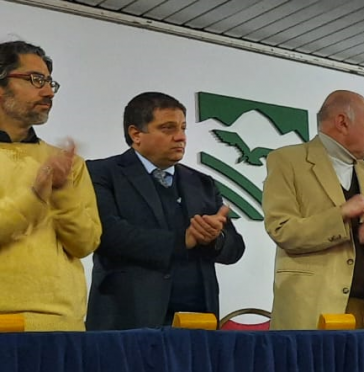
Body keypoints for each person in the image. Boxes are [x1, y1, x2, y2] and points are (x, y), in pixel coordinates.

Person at [86, 92, 245, 329]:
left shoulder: (201, 183)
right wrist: (184, 240)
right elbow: (108, 234)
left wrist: (215, 239)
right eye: (168, 128)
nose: (180, 137)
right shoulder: (101, 173)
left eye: (183, 128)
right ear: (136, 134)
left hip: (197, 322)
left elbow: (235, 248)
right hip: (127, 320)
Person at [263, 90, 364, 329]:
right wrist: (340, 215)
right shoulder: (287, 160)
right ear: (342, 122)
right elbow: (282, 230)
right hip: (312, 315)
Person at [0, 40, 100, 331]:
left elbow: (85, 243)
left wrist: (61, 191)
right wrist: (36, 194)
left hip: (62, 325)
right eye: (35, 80)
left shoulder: (68, 164)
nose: (48, 92)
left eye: (49, 82)